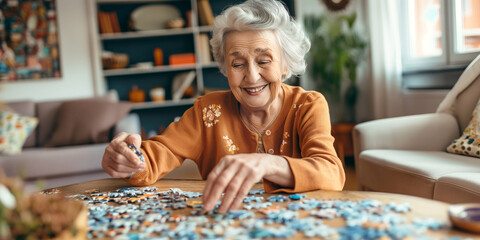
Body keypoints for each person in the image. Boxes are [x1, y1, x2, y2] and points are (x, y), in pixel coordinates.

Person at [102, 0, 345, 213]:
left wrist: (266, 164)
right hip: (224, 225)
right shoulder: (208, 111)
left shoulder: (307, 105)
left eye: (263, 61)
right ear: (225, 69)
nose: (251, 76)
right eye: (238, 64)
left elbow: (331, 173)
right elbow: (157, 156)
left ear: (285, 64)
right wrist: (130, 160)